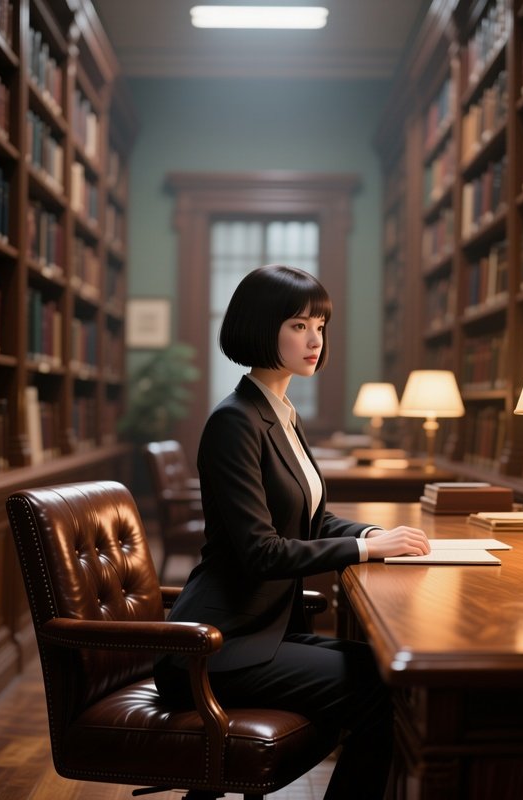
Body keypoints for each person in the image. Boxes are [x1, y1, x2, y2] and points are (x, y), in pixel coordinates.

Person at [154, 264, 430, 800]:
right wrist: (366, 550)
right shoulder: (234, 421)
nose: (315, 341)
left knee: (387, 670)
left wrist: (377, 534)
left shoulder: (280, 413)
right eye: (299, 325)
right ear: (262, 328)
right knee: (381, 689)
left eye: (320, 326)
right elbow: (261, 550)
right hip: (218, 644)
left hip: (263, 629)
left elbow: (312, 520)